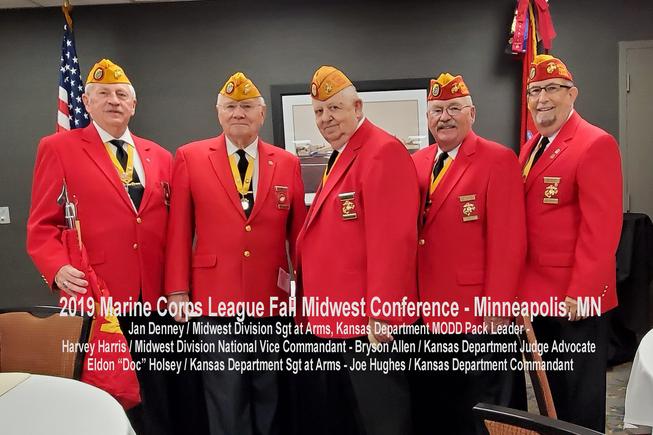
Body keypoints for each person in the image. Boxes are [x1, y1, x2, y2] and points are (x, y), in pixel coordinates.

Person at [26, 59, 190, 435]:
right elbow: (41, 224)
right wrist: (56, 267)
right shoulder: (59, 148)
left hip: (156, 299)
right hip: (99, 296)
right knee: (108, 393)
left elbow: (174, 229)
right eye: (102, 93)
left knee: (158, 394)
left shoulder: (160, 156)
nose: (113, 100)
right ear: (86, 101)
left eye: (121, 94)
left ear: (133, 104)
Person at [165, 71, 306, 435]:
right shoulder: (191, 157)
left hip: (270, 299)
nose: (238, 113)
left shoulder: (287, 162)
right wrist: (177, 290)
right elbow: (179, 230)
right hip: (214, 298)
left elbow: (299, 236)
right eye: (230, 106)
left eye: (246, 107)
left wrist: (306, 293)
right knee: (225, 392)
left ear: (262, 114)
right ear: (218, 113)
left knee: (268, 389)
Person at [293, 65, 420, 435]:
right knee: (352, 419)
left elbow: (393, 241)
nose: (326, 118)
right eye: (319, 111)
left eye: (334, 108)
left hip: (368, 323)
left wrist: (382, 312)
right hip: (339, 318)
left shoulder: (382, 151)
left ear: (358, 107)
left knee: (382, 419)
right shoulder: (341, 154)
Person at [411, 73, 527, 434]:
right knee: (440, 405)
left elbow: (509, 240)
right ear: (427, 117)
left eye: (454, 108)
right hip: (427, 313)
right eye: (437, 110)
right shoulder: (417, 161)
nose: (444, 117)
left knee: (484, 409)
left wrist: (499, 305)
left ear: (472, 113)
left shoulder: (497, 159)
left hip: (477, 312)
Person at [519, 54, 623, 431]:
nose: (541, 99)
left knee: (580, 398)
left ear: (572, 94)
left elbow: (602, 228)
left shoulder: (594, 143)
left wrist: (584, 291)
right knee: (553, 396)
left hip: (574, 299)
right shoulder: (533, 147)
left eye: (551, 89)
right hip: (541, 296)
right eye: (534, 91)